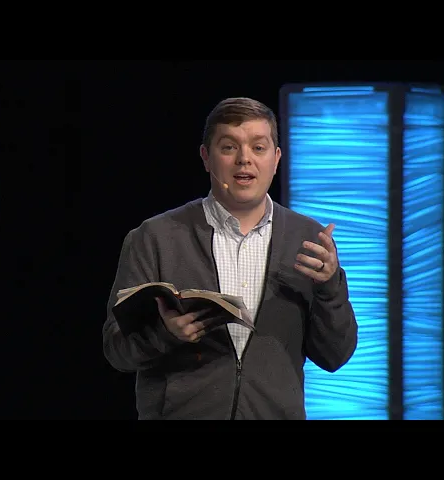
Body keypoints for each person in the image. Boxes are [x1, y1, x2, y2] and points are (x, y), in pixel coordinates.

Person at [102, 97, 358, 420]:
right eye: (229, 147)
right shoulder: (154, 237)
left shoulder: (308, 241)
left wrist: (330, 287)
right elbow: (116, 350)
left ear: (276, 159)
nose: (244, 159)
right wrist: (165, 335)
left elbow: (336, 355)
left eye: (258, 148)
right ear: (206, 157)